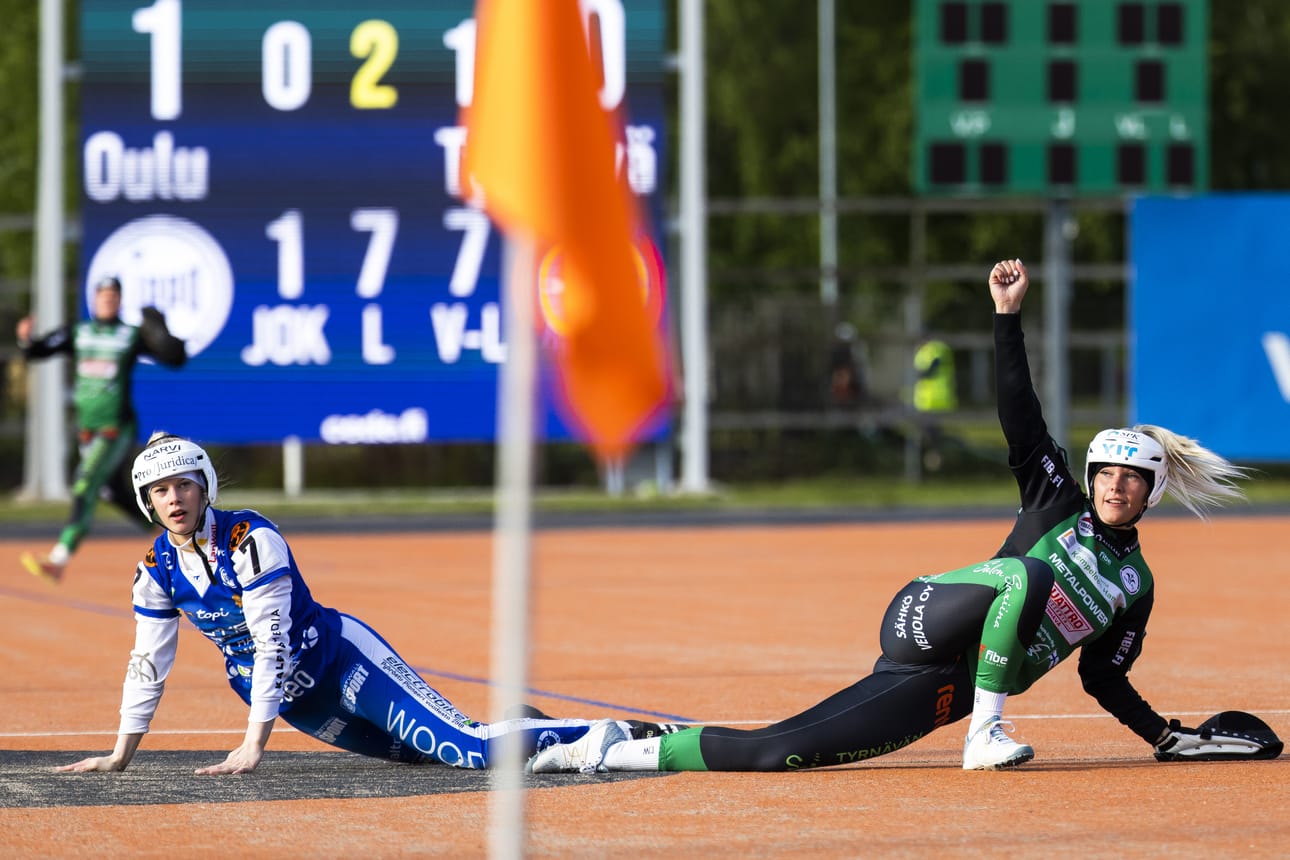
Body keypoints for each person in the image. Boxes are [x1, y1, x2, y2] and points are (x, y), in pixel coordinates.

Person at [529, 257, 1273, 775]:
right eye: (1105, 472)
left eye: (1131, 478)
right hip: (926, 616)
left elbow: (1103, 679)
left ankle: (611, 749)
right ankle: (986, 734)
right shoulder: (1057, 502)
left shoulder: (1135, 587)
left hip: (951, 682)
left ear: (1151, 492)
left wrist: (1165, 736)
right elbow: (1020, 414)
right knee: (1028, 574)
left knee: (781, 751)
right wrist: (1006, 318)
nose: (1114, 486)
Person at [57, 432, 673, 775]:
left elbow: (271, 643)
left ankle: (619, 732)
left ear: (205, 488)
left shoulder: (250, 540)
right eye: (160, 491)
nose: (174, 499)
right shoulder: (154, 569)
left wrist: (253, 744)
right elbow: (148, 663)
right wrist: (120, 753)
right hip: (297, 700)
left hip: (342, 660)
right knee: (426, 757)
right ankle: (528, 723)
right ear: (146, 501)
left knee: (469, 749)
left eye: (184, 486)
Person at [17, 275, 187, 584]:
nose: (108, 300)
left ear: (119, 300)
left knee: (84, 484)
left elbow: (174, 358)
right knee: (112, 491)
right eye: (103, 295)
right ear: (94, 299)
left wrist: (163, 333)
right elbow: (37, 351)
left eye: (113, 295)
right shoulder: (79, 332)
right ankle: (172, 534)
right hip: (87, 430)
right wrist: (26, 340)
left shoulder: (129, 335)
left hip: (115, 427)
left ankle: (58, 559)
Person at [911, 334, 958, 470]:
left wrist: (923, 374)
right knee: (930, 432)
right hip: (926, 401)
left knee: (932, 433)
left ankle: (936, 457)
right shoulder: (924, 351)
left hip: (936, 399)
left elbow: (931, 368)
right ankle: (934, 457)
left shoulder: (935, 349)